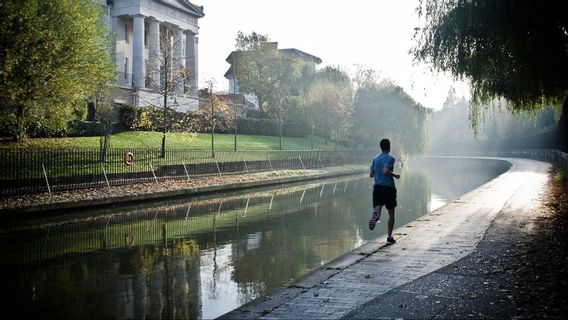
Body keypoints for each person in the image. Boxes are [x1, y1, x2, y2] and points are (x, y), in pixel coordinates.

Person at [368, 138, 400, 244]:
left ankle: (375, 215)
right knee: (391, 213)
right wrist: (395, 175)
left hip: (377, 187)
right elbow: (386, 171)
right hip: (388, 188)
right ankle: (389, 237)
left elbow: (371, 174)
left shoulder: (375, 158)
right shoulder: (390, 158)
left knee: (378, 209)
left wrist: (378, 173)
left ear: (380, 147)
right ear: (389, 147)